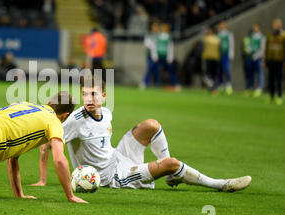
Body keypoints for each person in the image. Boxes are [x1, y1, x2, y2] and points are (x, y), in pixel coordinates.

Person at [30, 75, 251, 192]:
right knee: (172, 163)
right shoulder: (75, 121)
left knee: (152, 124)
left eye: (94, 94)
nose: (89, 99)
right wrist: (42, 179)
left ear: (104, 96)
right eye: (85, 94)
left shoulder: (106, 113)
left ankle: (172, 175)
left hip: (118, 157)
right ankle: (219, 184)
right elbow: (46, 144)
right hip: (113, 177)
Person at [152, 23, 180, 90]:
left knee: (171, 70)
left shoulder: (168, 37)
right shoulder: (158, 36)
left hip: (166, 56)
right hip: (158, 56)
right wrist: (155, 55)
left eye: (164, 28)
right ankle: (156, 84)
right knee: (156, 70)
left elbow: (170, 47)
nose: (163, 29)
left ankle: (176, 84)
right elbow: (155, 46)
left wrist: (170, 56)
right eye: (162, 28)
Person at [265, 18, 285, 105]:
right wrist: (265, 59)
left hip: (280, 60)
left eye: (278, 24)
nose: (277, 25)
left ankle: (280, 96)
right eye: (275, 24)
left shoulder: (283, 35)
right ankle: (271, 96)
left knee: (279, 79)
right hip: (271, 60)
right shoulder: (270, 35)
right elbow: (266, 48)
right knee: (271, 79)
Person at [245, 23, 266, 97]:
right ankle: (250, 87)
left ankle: (259, 88)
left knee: (259, 73)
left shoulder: (262, 37)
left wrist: (256, 56)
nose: (254, 28)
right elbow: (248, 45)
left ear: (259, 28)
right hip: (250, 57)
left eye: (256, 27)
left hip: (258, 58)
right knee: (250, 73)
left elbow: (262, 49)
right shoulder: (251, 36)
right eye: (254, 27)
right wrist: (248, 50)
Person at [201, 26, 221, 95]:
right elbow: (219, 49)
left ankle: (212, 86)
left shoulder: (206, 39)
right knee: (214, 74)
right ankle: (214, 88)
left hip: (208, 58)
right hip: (216, 58)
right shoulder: (218, 39)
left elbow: (202, 48)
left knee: (208, 74)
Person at [217, 20, 235, 94]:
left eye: (223, 24)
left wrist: (231, 54)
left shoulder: (229, 34)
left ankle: (229, 85)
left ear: (225, 25)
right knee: (219, 70)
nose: (222, 26)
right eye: (220, 24)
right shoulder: (218, 34)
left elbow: (231, 44)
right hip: (218, 54)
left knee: (226, 69)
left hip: (226, 54)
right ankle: (221, 85)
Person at [140, 20, 159, 89]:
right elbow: (146, 44)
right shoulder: (149, 34)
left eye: (156, 27)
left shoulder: (159, 35)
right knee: (149, 69)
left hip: (158, 55)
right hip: (150, 55)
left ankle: (157, 84)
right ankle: (145, 83)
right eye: (154, 26)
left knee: (157, 70)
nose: (155, 28)